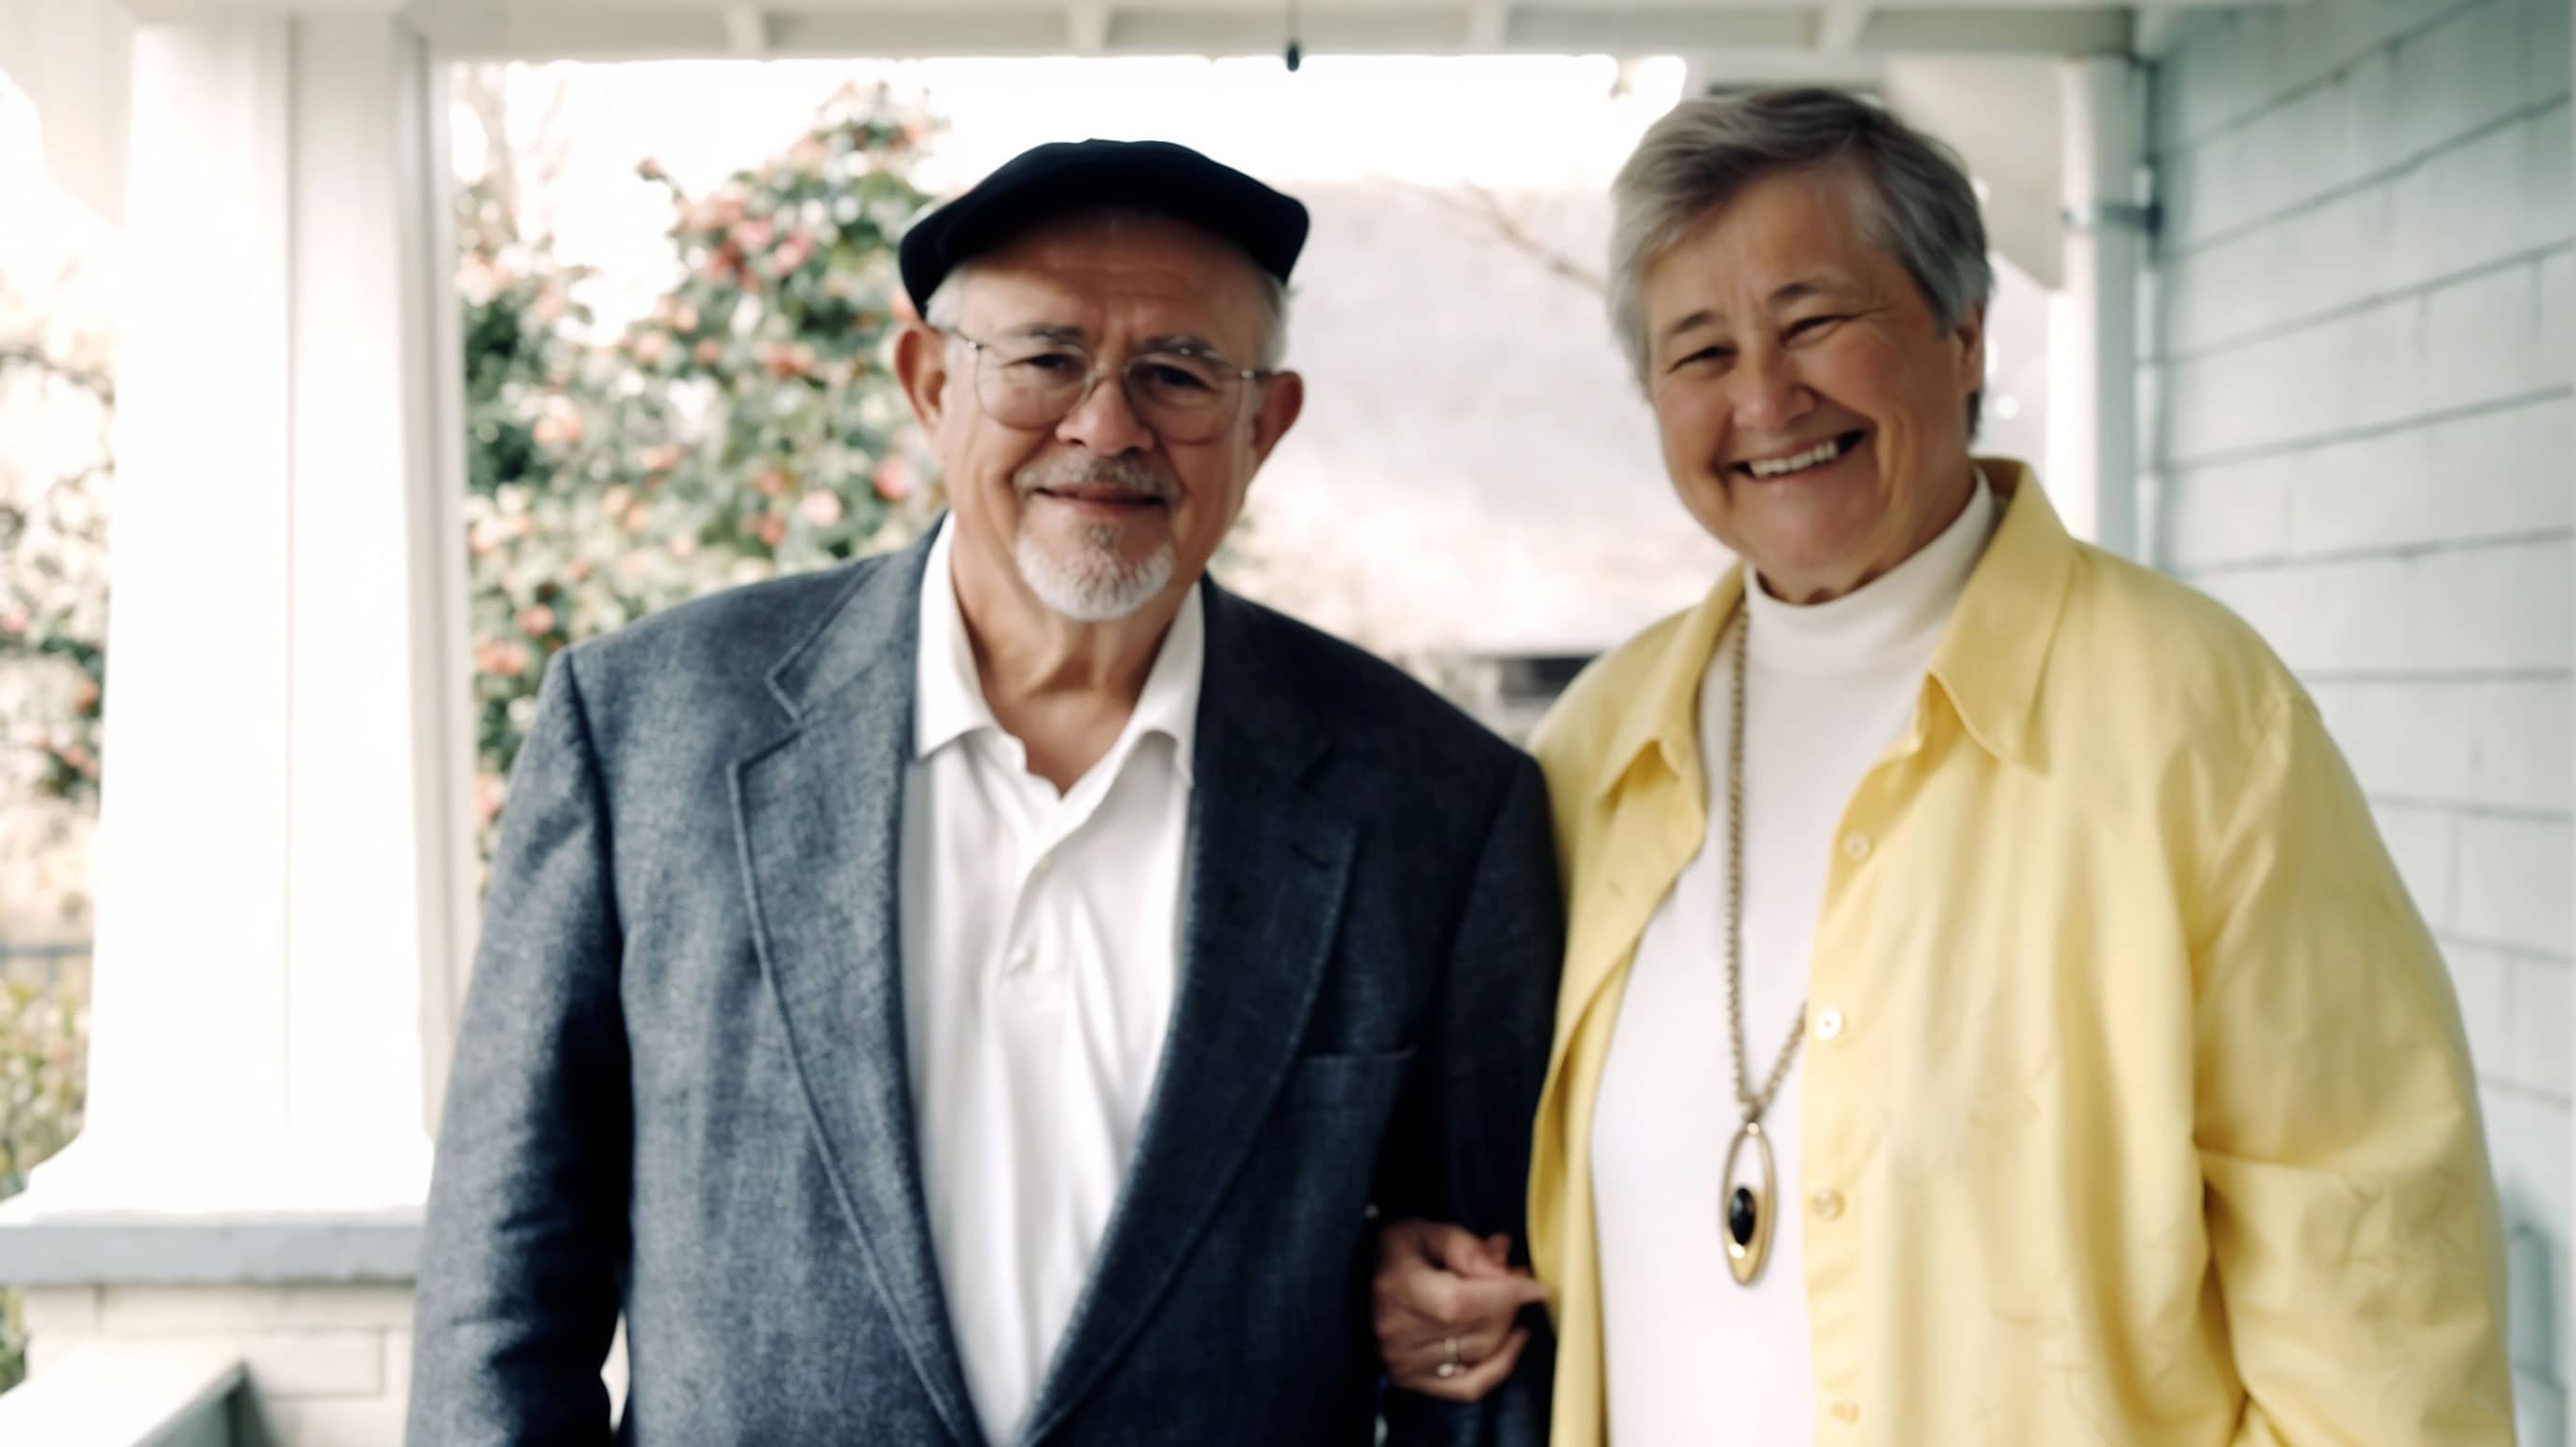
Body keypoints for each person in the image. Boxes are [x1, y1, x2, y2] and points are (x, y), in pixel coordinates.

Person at [1372, 88, 2513, 1445]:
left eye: (1813, 323)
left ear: (1962, 332)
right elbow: (1490, 1172)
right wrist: (1413, 1271)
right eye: (1698, 352)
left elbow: (2377, 1308)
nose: (1763, 398)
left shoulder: (2202, 723)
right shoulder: (1595, 749)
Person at [410, 138, 1561, 1446]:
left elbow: (1483, 1337)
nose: (1106, 425)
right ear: (927, 385)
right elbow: (501, 1301)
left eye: (1179, 372)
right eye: (1045, 359)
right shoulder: (647, 734)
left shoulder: (1437, 810)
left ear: (1266, 425)